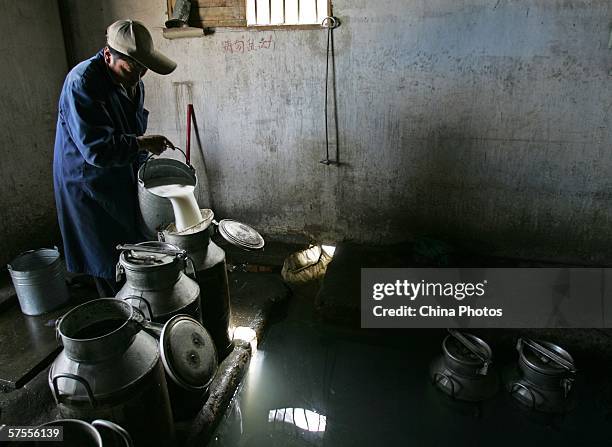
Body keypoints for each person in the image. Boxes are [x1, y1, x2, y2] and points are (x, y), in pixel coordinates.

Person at [53, 20, 177, 297]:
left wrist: (141, 154)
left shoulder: (132, 81)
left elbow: (131, 126)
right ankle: (118, 317)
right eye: (133, 66)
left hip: (120, 174)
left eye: (144, 67)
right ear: (108, 55)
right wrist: (142, 144)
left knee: (131, 246)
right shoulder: (83, 83)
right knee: (107, 257)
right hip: (90, 182)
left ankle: (134, 302)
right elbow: (96, 150)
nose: (140, 74)